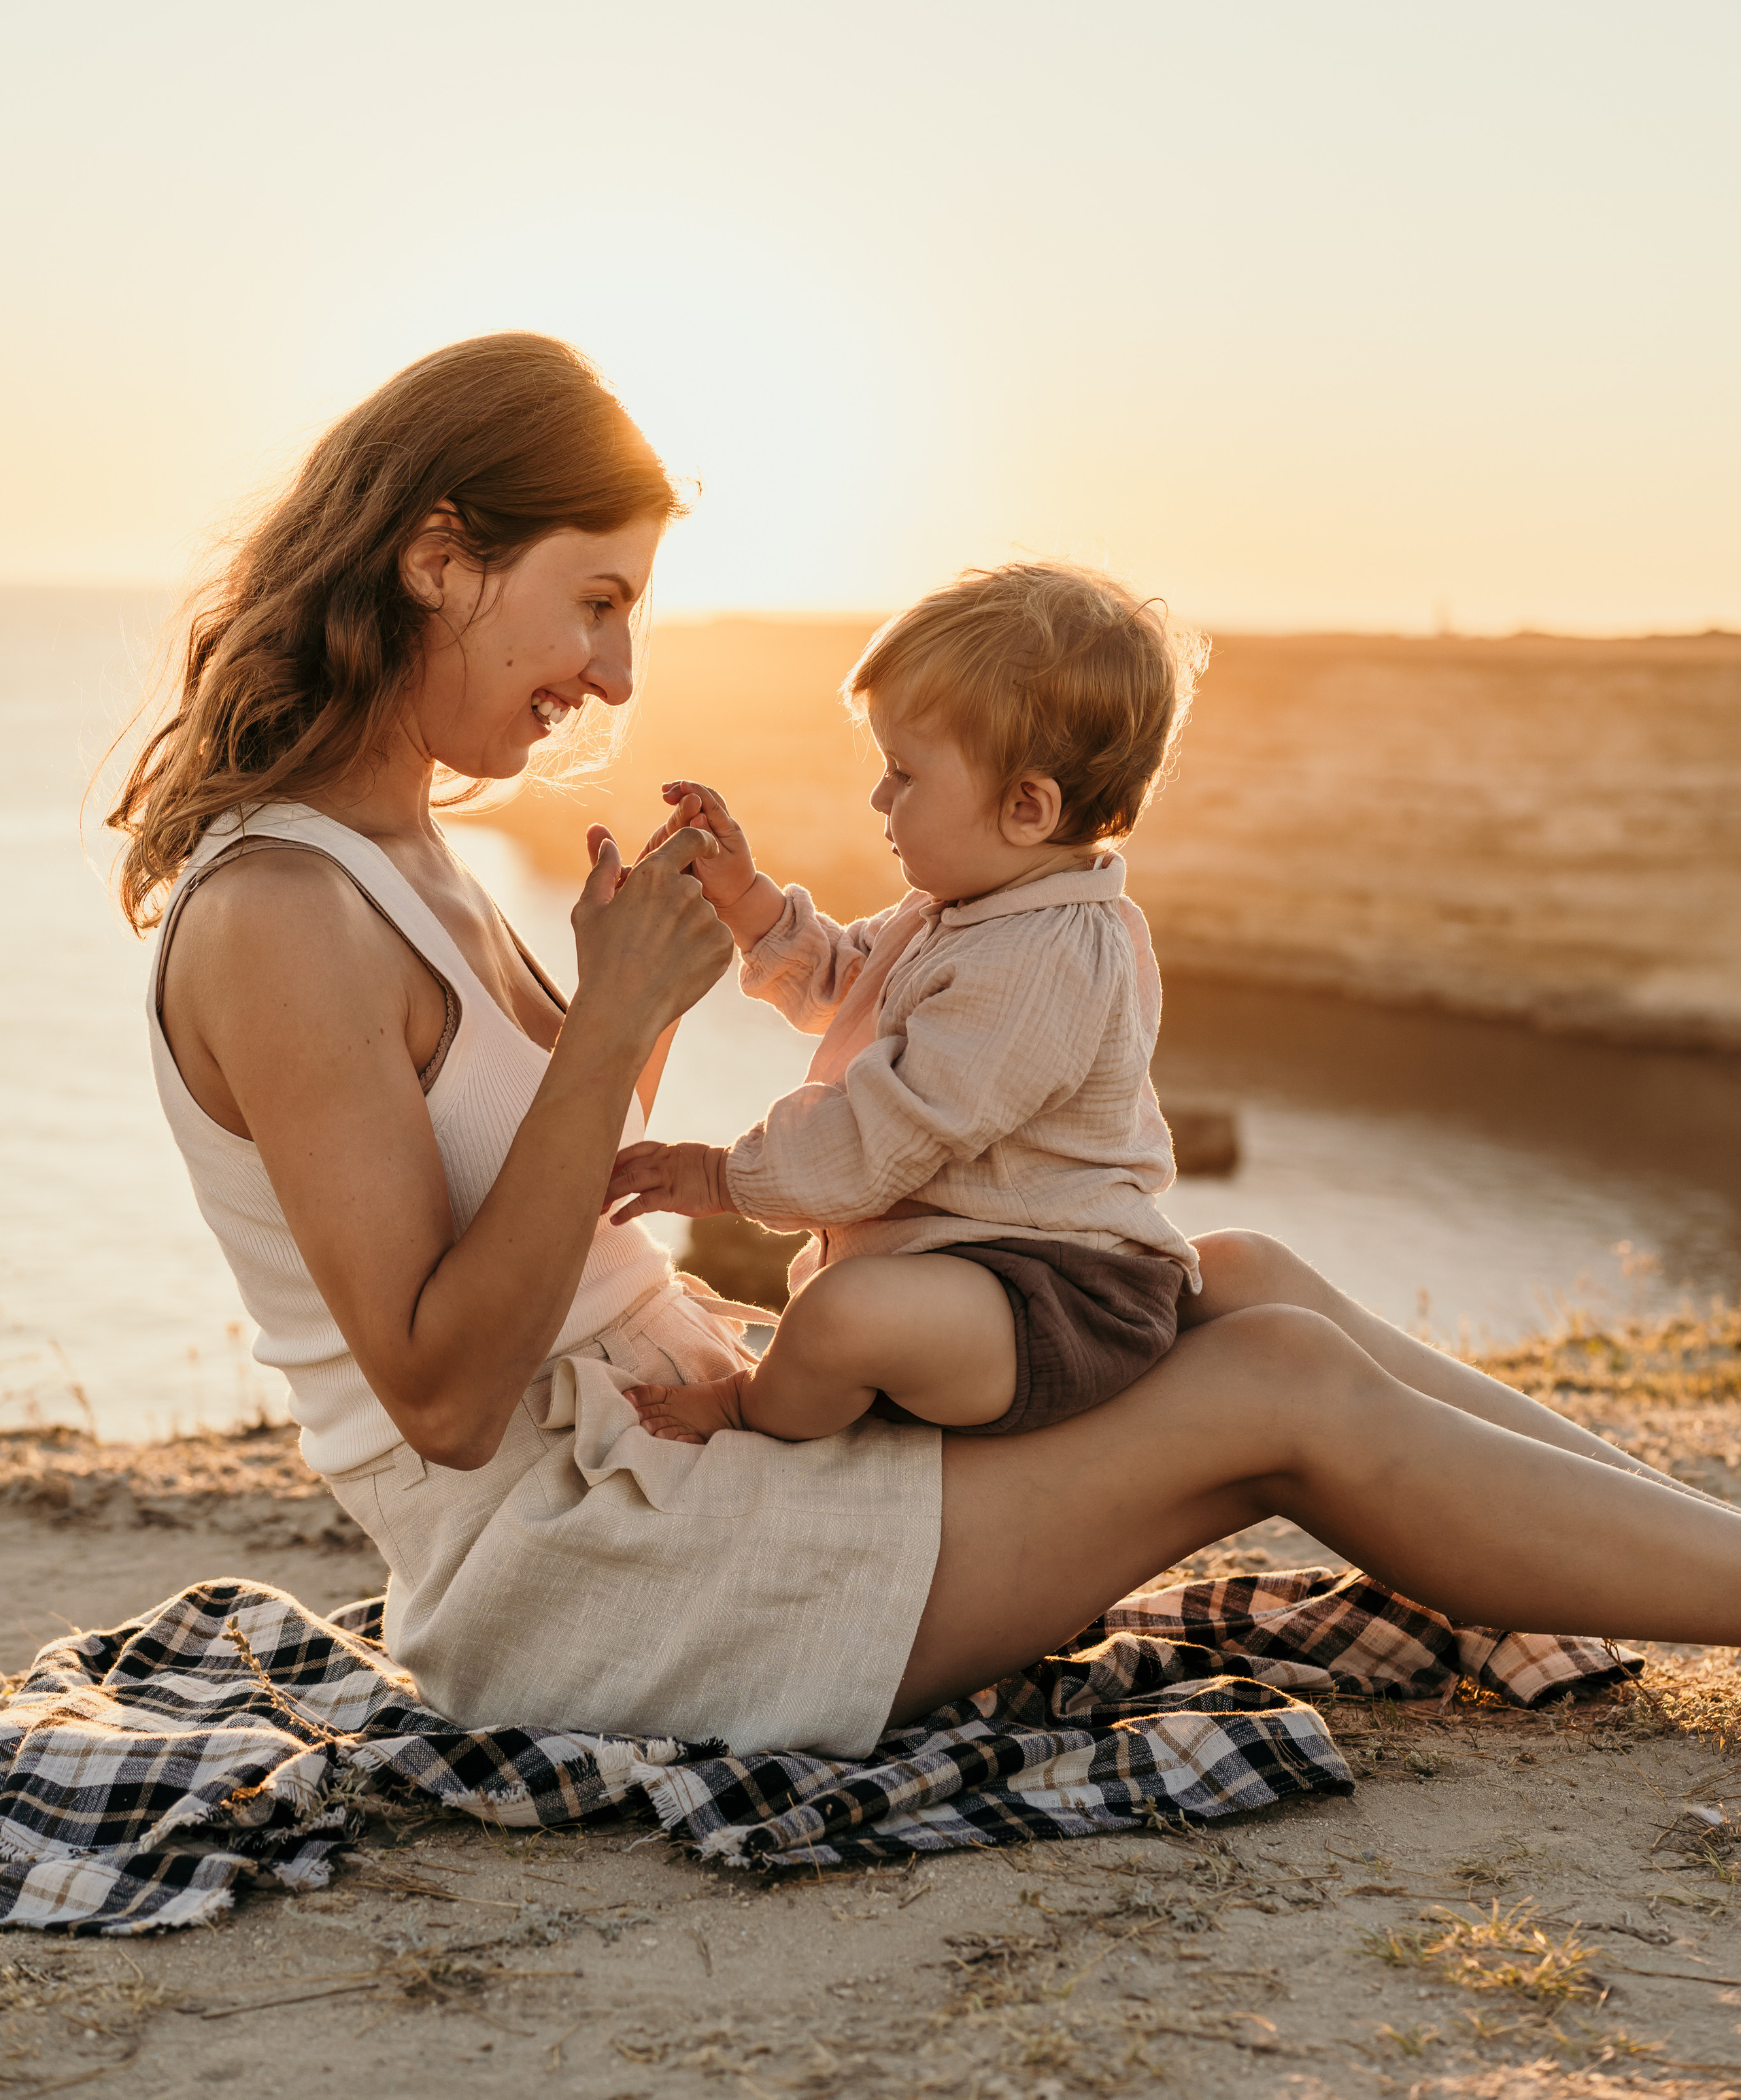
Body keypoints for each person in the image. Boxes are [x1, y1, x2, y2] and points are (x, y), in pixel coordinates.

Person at [115, 331, 1741, 1767]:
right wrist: (611, 1019)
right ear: (436, 557)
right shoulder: (282, 915)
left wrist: (655, 1002)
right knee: (1279, 1389)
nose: (616, 670)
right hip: (578, 1567)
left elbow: (571, 1214)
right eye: (596, 602)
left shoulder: (410, 861)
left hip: (676, 1445)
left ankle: (1708, 1543)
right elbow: (448, 1397)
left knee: (1237, 1275)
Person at [611, 565, 1204, 1446]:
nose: (878, 799)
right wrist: (749, 902)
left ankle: (748, 1410)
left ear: (1027, 807)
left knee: (844, 1315)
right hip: (983, 1278)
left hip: (1062, 1299)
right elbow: (857, 984)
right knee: (845, 1299)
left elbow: (886, 1133)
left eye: (904, 775)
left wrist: (720, 1178)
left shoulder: (1040, 963)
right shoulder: (965, 910)